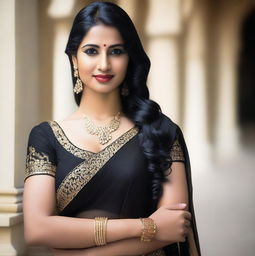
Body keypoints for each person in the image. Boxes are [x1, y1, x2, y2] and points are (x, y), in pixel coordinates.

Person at [23, 1, 201, 255]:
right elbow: (37, 229)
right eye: (92, 51)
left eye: (116, 51)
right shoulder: (44, 137)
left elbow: (174, 228)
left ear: (130, 59)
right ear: (74, 58)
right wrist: (145, 226)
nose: (104, 64)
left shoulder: (160, 132)